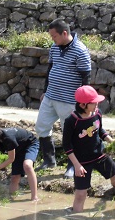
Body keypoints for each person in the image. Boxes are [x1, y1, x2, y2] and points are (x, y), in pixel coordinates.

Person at [35, 19, 92, 178]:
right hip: (51, 96)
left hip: (69, 100)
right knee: (41, 126)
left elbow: (85, 77)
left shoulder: (80, 50)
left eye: (54, 36)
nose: (52, 39)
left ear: (64, 33)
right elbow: (50, 69)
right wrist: (45, 91)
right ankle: (49, 160)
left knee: (71, 134)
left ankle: (72, 166)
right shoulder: (54, 47)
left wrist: (83, 102)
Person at [62, 85, 115, 212]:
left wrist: (110, 140)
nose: (97, 105)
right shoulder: (72, 121)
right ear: (83, 105)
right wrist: (77, 165)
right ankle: (75, 214)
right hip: (82, 162)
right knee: (80, 195)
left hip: (99, 154)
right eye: (94, 103)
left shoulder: (97, 113)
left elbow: (99, 130)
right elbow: (67, 145)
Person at [0, 119, 39, 201]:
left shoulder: (8, 138)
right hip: (17, 150)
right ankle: (11, 197)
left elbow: (11, 159)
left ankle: (34, 198)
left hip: (29, 144)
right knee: (14, 177)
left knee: (27, 165)